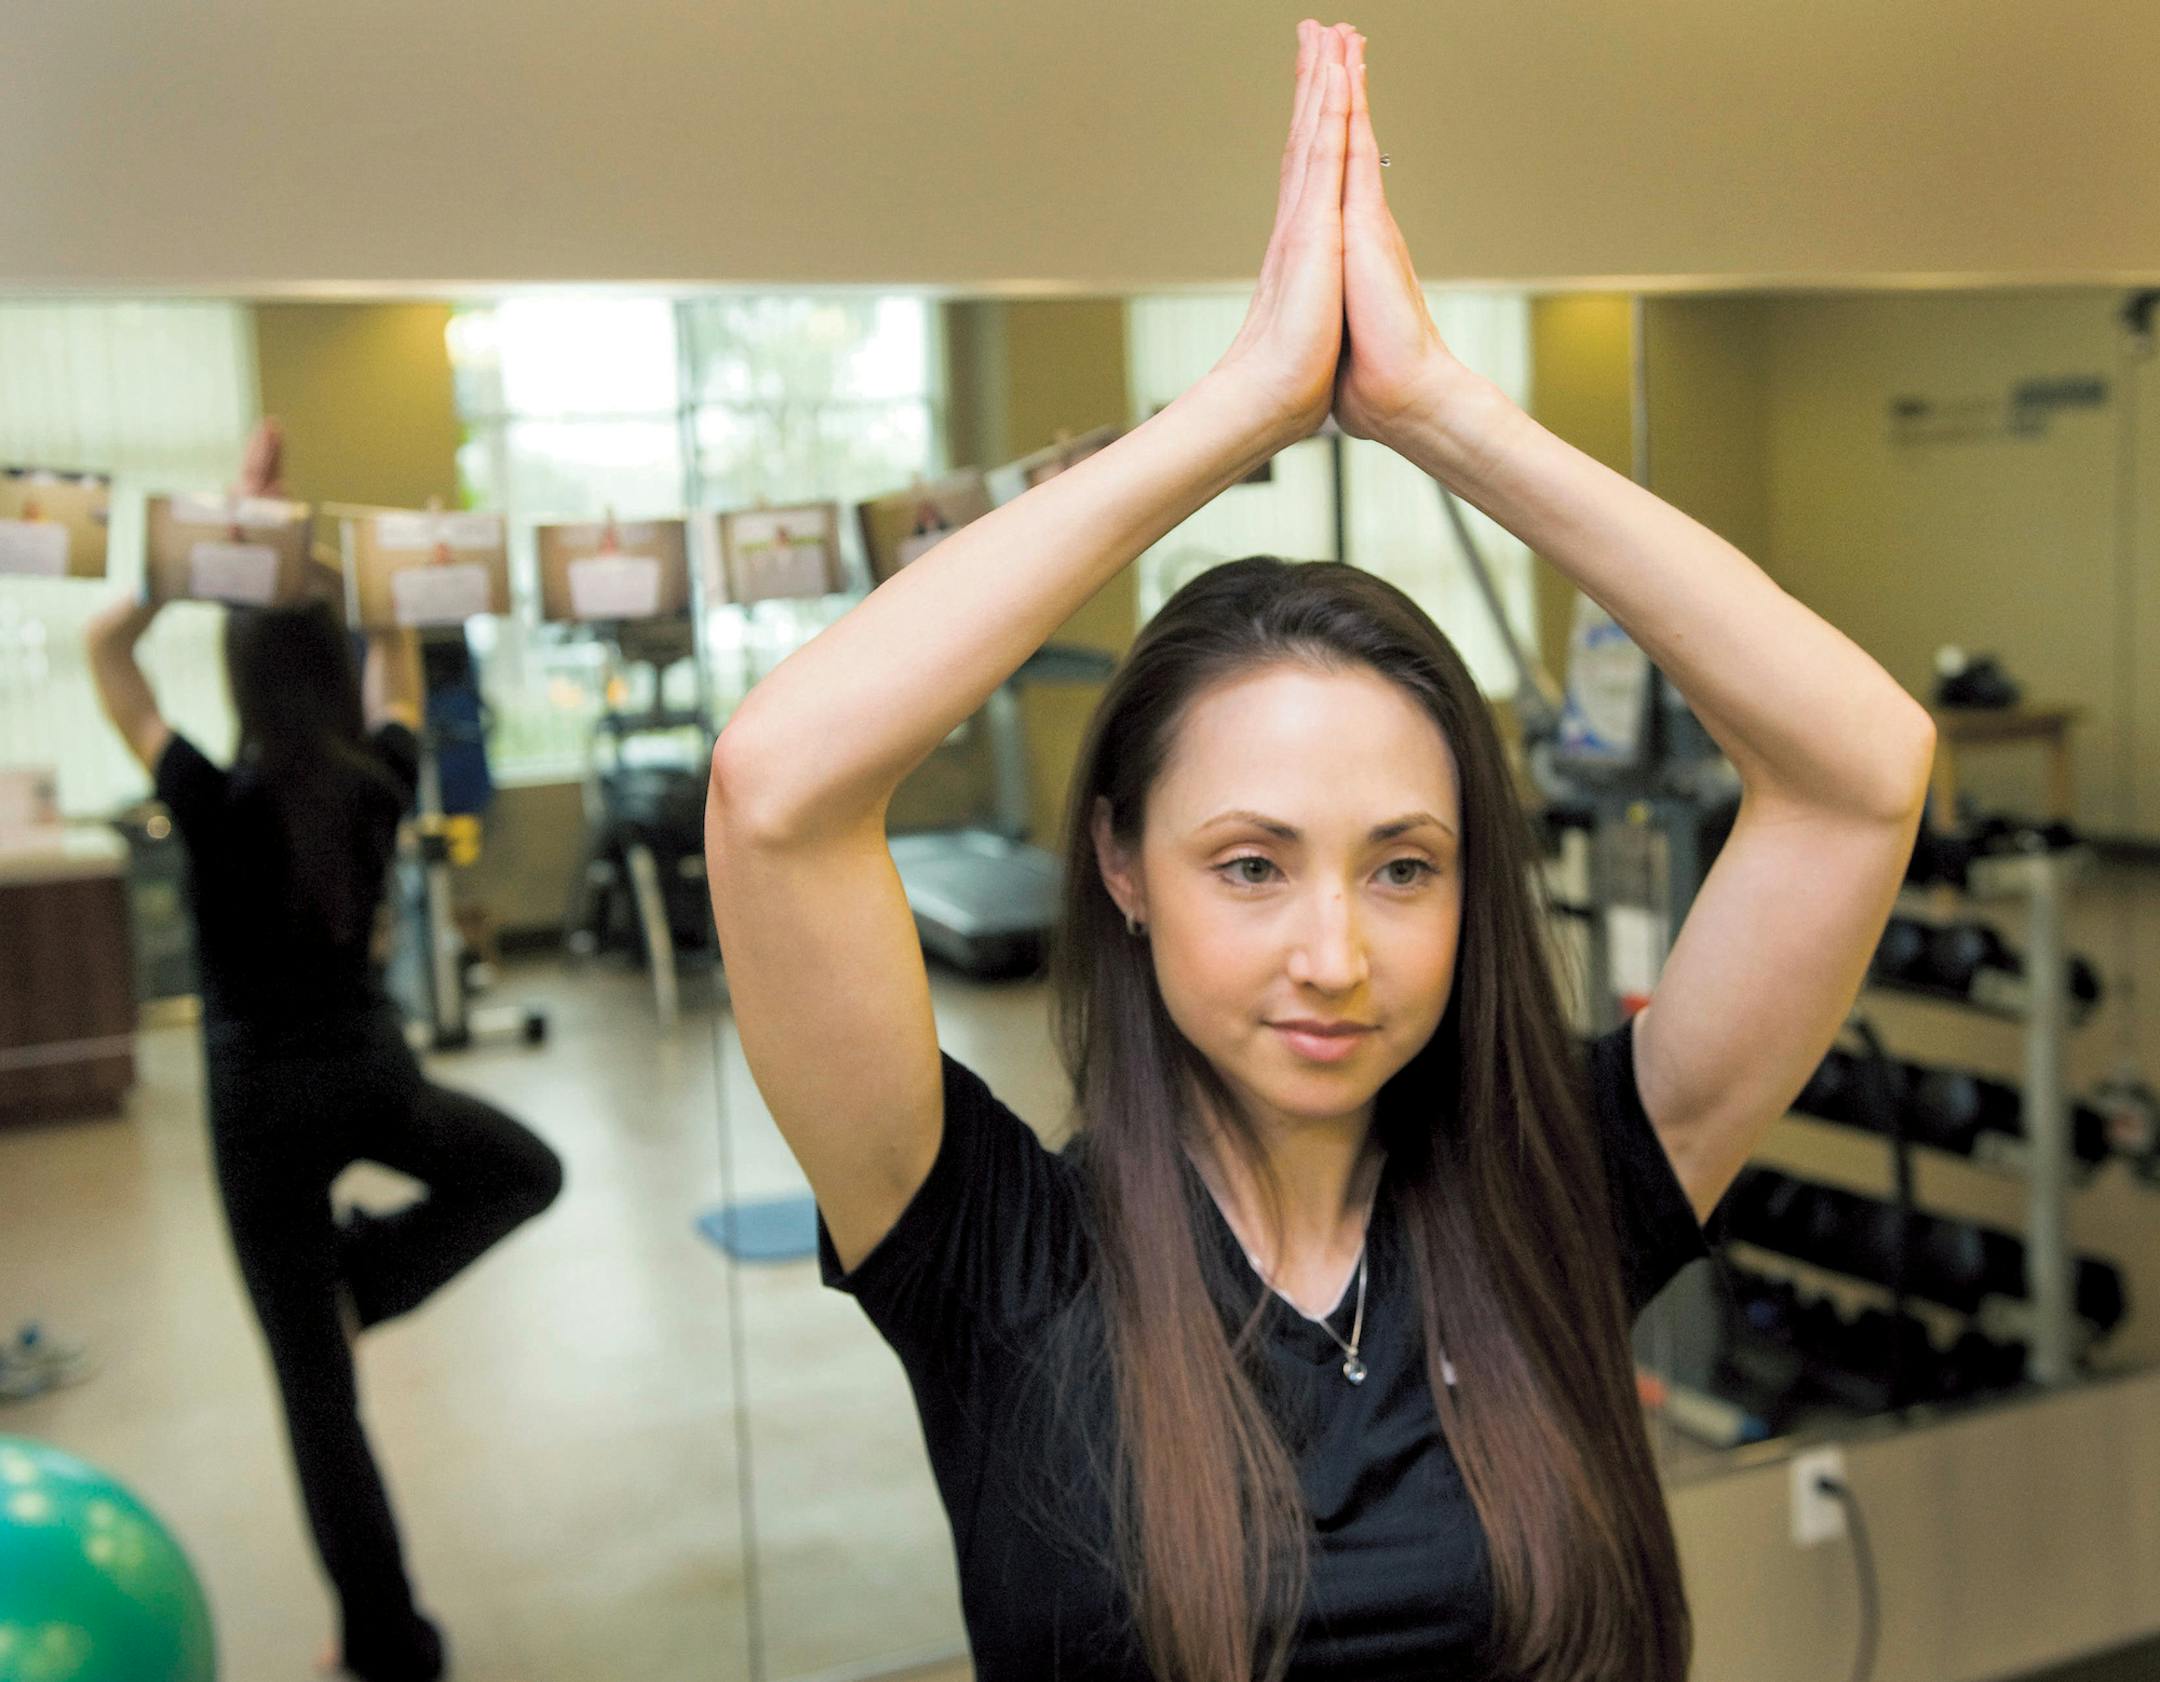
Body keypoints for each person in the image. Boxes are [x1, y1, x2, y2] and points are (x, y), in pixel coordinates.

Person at [704, 22, 1934, 1682]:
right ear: (1123, 866)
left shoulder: (1564, 1194)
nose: (1336, 952)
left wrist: (1436, 410)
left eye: (1404, 866)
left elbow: (1865, 770)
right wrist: (1238, 411)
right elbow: (777, 787)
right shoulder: (1001, 1257)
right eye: (1252, 863)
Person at [86, 422, 564, 1682]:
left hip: (254, 1111)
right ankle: (365, 1282)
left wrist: (212, 549)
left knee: (318, 1399)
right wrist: (379, 569)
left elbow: (105, 649)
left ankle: (392, 1645)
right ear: (333, 662)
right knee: (528, 1167)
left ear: (242, 673)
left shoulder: (206, 792)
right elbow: (398, 663)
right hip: (367, 1073)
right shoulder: (379, 779)